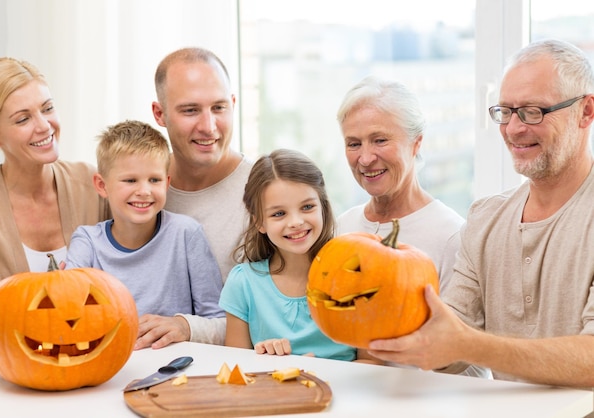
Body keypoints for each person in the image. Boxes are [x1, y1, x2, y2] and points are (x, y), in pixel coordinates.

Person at [367, 39, 594, 387]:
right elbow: (452, 347)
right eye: (506, 111)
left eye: (533, 111)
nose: (514, 129)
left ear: (586, 111)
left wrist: (468, 344)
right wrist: (386, 315)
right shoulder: (486, 219)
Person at [0, 57, 109, 321]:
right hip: (3, 358)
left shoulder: (92, 184)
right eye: (23, 119)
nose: (44, 126)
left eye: (47, 108)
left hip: (91, 350)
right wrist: (33, 295)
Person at [65, 120, 225, 348]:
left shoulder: (186, 233)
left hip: (177, 367)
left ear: (167, 183)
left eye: (154, 180)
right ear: (102, 185)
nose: (144, 191)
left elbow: (222, 323)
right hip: (110, 368)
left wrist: (184, 326)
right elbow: (67, 310)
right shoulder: (87, 242)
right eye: (130, 180)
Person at [142, 47, 252, 347]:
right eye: (190, 110)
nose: (208, 126)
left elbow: (279, 318)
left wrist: (188, 328)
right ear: (159, 114)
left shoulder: (267, 193)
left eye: (218, 108)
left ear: (232, 104)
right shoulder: (138, 192)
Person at [219, 149, 372, 361]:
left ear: (323, 208)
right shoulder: (243, 284)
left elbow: (372, 362)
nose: (296, 222)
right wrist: (266, 361)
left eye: (307, 207)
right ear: (259, 222)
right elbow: (237, 369)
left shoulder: (354, 276)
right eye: (279, 213)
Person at [336, 77, 463, 292]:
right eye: (354, 144)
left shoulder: (452, 237)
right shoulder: (341, 228)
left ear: (416, 143)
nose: (365, 159)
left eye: (380, 140)